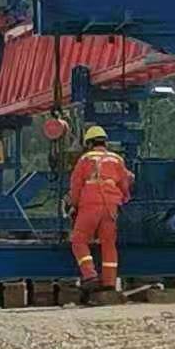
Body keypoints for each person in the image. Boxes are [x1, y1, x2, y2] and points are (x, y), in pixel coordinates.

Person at [67, 125, 134, 296]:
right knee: (108, 243)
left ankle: (90, 276)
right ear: (105, 142)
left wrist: (73, 205)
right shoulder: (117, 159)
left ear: (89, 143)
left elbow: (76, 185)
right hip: (111, 207)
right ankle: (110, 283)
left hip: (90, 204)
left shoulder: (85, 159)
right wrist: (124, 199)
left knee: (78, 240)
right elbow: (125, 183)